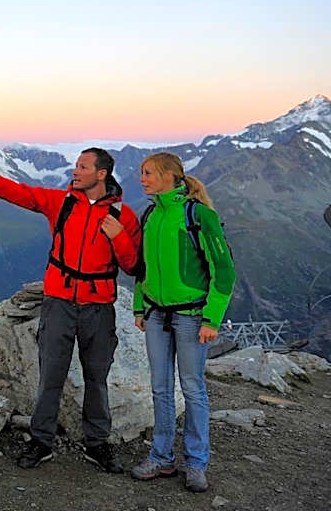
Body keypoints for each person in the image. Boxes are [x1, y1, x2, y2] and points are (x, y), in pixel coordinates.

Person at [0, 148, 141, 473]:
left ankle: (97, 444)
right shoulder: (61, 202)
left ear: (101, 174)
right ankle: (41, 441)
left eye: (82, 167)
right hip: (59, 302)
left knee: (97, 377)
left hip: (98, 306)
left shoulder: (124, 217)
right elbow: (21, 193)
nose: (75, 171)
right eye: (76, 165)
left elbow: (133, 266)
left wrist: (119, 236)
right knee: (51, 374)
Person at [130, 152, 235, 492]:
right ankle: (161, 459)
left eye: (148, 173)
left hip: (192, 317)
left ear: (168, 176)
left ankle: (196, 463)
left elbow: (225, 271)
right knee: (160, 388)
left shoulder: (198, 214)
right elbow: (143, 267)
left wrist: (212, 319)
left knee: (192, 389)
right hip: (156, 313)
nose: (142, 179)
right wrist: (138, 306)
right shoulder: (151, 214)